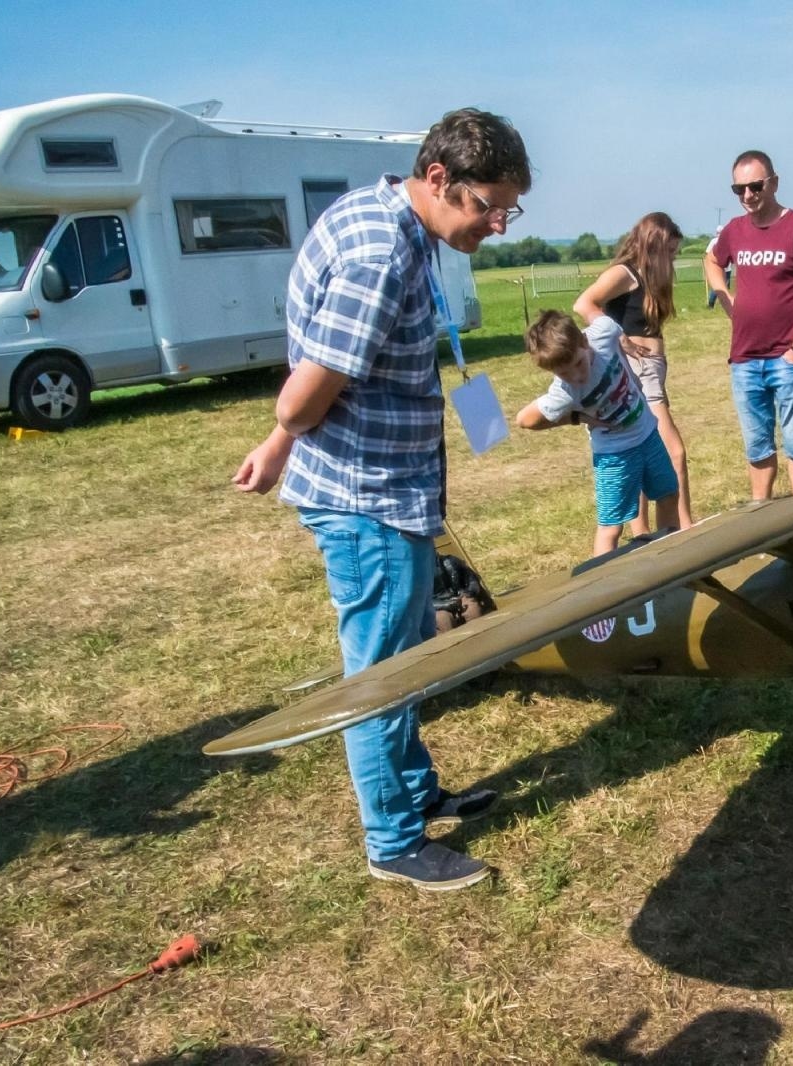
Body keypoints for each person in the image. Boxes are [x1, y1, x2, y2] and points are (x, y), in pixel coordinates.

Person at [231, 108, 532, 892]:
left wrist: (277, 447)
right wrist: (282, 433)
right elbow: (305, 396)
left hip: (385, 490)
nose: (498, 225)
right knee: (382, 671)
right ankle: (393, 842)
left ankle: (415, 791)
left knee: (406, 656)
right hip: (369, 499)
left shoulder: (386, 219)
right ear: (439, 179)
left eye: (511, 209)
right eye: (488, 206)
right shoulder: (379, 256)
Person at [705, 150, 793, 500]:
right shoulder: (735, 230)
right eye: (739, 189)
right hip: (744, 360)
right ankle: (762, 514)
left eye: (755, 186)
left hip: (787, 357)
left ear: (773, 183)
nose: (747, 196)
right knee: (757, 446)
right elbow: (712, 260)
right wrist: (725, 297)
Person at [515, 311, 679, 557]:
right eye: (564, 373)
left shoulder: (601, 334)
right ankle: (603, 585)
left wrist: (623, 344)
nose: (577, 377)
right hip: (614, 456)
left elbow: (607, 321)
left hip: (648, 434)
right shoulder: (565, 391)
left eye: (579, 364)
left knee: (668, 494)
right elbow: (524, 420)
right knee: (611, 527)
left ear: (584, 341)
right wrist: (576, 417)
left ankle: (672, 562)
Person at [574, 211, 693, 533]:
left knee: (644, 449)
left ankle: (645, 536)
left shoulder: (650, 279)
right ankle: (684, 530)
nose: (673, 259)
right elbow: (585, 303)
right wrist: (619, 337)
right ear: (653, 245)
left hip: (652, 370)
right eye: (669, 251)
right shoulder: (626, 273)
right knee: (674, 452)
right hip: (638, 372)